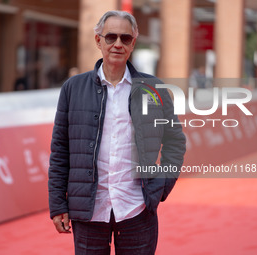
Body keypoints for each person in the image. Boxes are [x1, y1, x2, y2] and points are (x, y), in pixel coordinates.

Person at [48, 10, 186, 255]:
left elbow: (175, 140)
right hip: (89, 212)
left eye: (125, 38)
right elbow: (60, 149)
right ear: (98, 40)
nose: (117, 44)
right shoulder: (73, 88)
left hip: (137, 209)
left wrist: (160, 187)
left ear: (133, 43)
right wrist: (58, 203)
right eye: (110, 37)